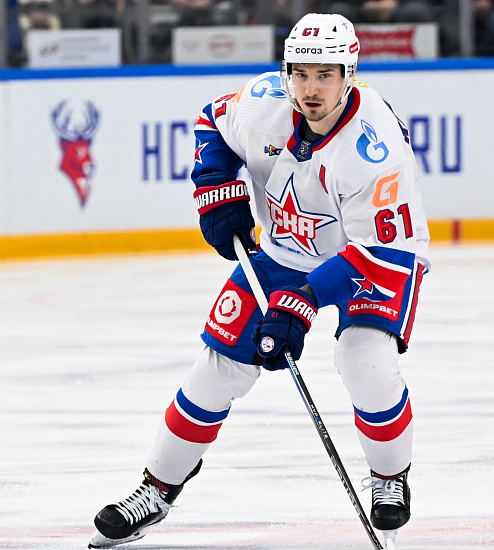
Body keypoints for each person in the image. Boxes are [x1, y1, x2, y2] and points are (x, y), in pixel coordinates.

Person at [88, 12, 430, 549]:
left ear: (349, 74)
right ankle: (156, 489)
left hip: (373, 259)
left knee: (364, 361)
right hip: (282, 251)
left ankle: (390, 476)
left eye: (325, 75)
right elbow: (212, 123)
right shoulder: (264, 103)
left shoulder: (373, 150)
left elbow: (384, 253)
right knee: (216, 369)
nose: (310, 89)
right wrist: (216, 190)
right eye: (300, 74)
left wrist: (305, 299)